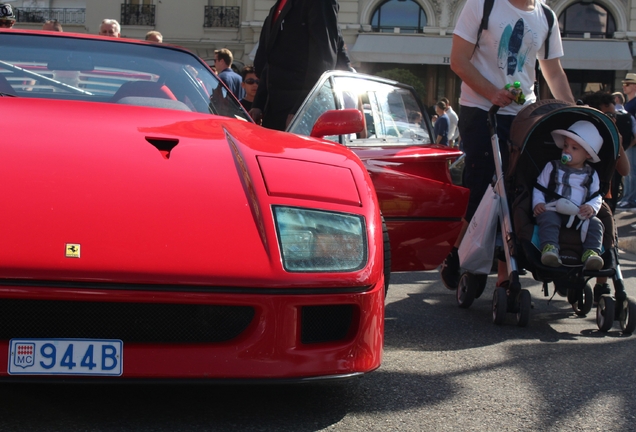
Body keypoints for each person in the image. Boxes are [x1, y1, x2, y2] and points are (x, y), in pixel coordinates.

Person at [441, 0, 575, 290]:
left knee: (519, 192)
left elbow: (553, 73)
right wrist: (493, 93)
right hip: (480, 109)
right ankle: (459, 252)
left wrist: (573, 115)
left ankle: (506, 275)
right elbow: (458, 60)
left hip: (524, 115)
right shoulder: (482, 5)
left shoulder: (546, 16)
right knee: (483, 187)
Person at [250, 0, 340, 131]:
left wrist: (302, 110)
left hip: (297, 117)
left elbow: (323, 60)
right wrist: (259, 103)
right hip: (272, 115)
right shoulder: (277, 7)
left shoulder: (318, 3)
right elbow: (270, 63)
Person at [533, 121, 604, 271]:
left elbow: (597, 196)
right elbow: (539, 187)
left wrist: (591, 207)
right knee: (547, 218)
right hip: (555, 209)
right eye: (565, 146)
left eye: (574, 148)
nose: (567, 151)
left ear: (587, 154)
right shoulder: (552, 167)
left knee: (596, 224)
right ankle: (550, 249)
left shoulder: (591, 174)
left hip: (579, 213)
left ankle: (591, 253)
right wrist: (538, 203)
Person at [619, 73, 636, 209]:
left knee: (632, 173)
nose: (624, 86)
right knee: (629, 173)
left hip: (633, 143)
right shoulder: (629, 103)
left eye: (628, 84)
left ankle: (631, 199)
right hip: (629, 142)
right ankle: (627, 197)